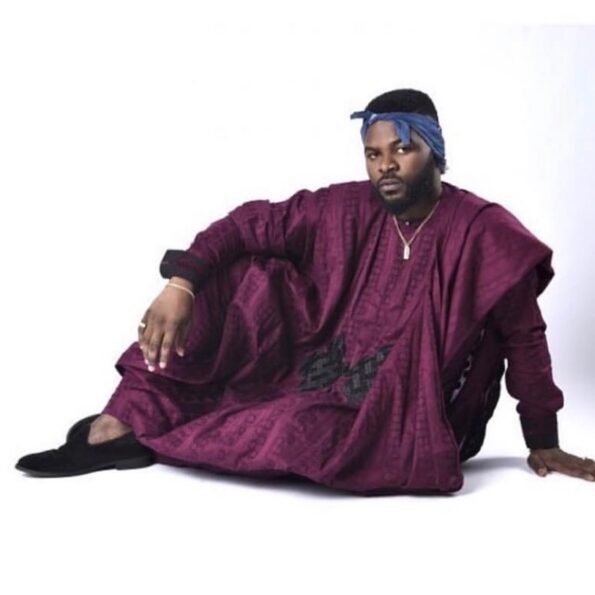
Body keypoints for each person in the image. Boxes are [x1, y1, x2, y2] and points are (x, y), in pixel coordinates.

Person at [15, 88, 595, 495]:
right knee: (238, 277)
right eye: (373, 154)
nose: (386, 166)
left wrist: (542, 438)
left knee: (294, 429)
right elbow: (250, 223)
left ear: (434, 152)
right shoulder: (346, 206)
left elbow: (525, 337)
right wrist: (181, 284)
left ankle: (153, 433)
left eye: (402, 149)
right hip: (320, 367)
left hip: (415, 408)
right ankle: (126, 424)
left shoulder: (483, 231)